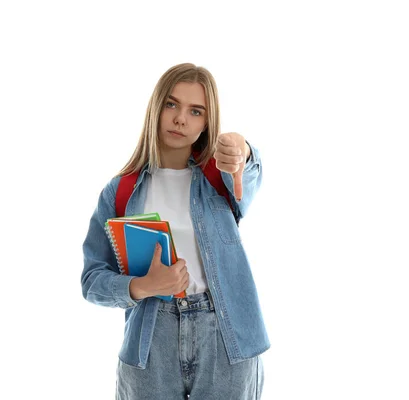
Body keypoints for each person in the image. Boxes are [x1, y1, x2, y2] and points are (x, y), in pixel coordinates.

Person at [81, 63, 270, 399]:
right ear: (156, 108)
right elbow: (92, 280)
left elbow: (251, 172)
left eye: (195, 111)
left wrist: (243, 150)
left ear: (207, 123)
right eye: (172, 104)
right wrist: (143, 286)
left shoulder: (221, 178)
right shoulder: (120, 191)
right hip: (151, 340)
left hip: (226, 339)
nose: (181, 118)